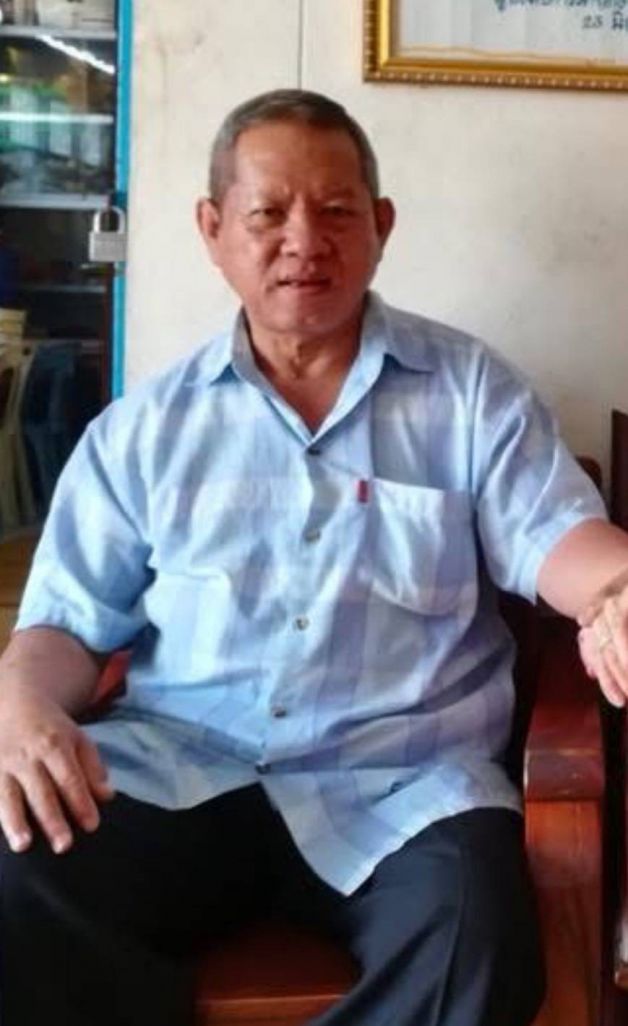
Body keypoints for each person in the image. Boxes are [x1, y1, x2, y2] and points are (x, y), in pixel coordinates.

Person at [0, 89, 627, 1026]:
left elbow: (560, 539)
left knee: (476, 939)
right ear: (213, 230)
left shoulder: (471, 395)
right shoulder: (143, 430)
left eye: (336, 211)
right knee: (15, 878)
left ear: (381, 226)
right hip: (180, 767)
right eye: (267, 213)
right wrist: (19, 704)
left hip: (408, 785)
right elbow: (66, 625)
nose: (305, 240)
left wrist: (617, 590)